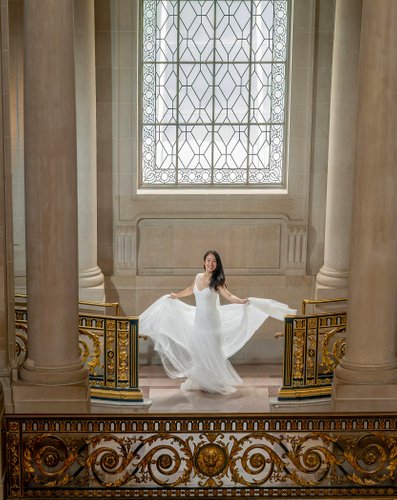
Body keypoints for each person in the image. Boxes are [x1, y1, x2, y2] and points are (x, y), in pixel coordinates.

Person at [139, 250, 296, 395]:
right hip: (199, 320)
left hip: (212, 322)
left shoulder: (218, 281)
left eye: (214, 261)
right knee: (200, 351)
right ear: (204, 262)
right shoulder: (198, 277)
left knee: (211, 350)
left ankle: (213, 381)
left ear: (217, 264)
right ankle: (202, 380)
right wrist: (175, 295)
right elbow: (189, 290)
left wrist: (241, 301)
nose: (211, 263)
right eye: (208, 260)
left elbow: (229, 295)